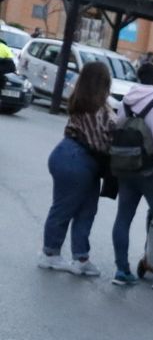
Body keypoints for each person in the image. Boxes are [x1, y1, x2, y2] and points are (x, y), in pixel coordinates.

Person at [40, 60, 116, 277]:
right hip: (79, 160)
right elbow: (103, 143)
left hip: (67, 155)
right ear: (105, 82)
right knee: (69, 209)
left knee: (83, 208)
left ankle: (80, 257)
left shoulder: (80, 102)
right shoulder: (99, 110)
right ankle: (50, 254)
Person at [111, 62, 153, 291]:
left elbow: (118, 126)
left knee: (123, 217)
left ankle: (122, 270)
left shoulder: (126, 102)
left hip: (127, 166)